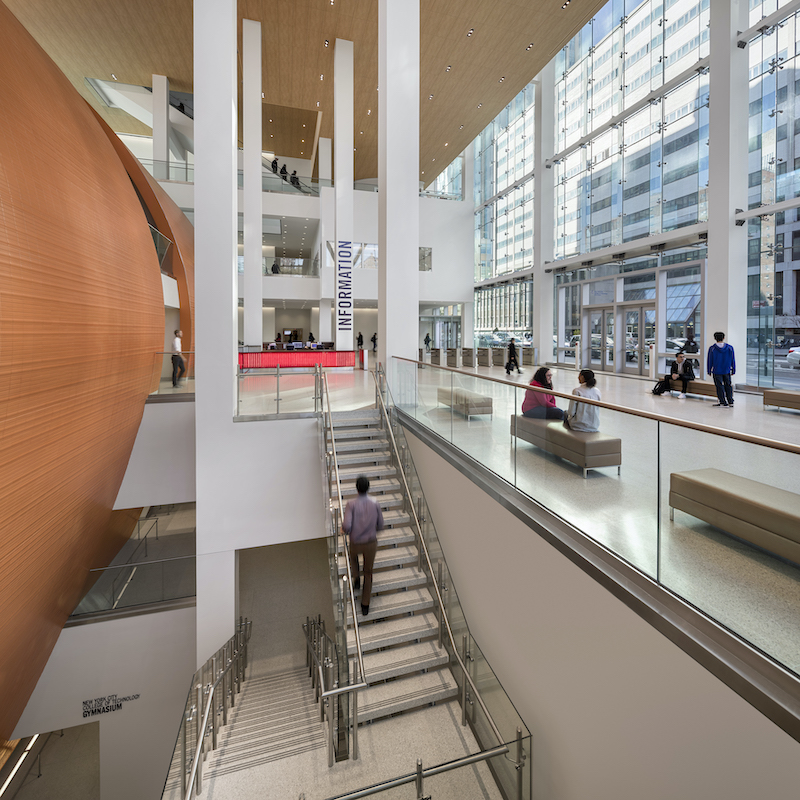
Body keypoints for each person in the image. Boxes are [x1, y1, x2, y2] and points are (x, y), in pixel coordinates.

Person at [342, 475, 384, 616]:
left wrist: (345, 530)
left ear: (357, 488)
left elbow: (347, 525)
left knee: (352, 557)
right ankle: (365, 604)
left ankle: (356, 578)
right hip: (371, 543)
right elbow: (381, 524)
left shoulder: (351, 504)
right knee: (369, 572)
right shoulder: (375, 502)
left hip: (356, 542)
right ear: (368, 487)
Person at [707, 331, 736, 407]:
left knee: (719, 386)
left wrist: (709, 370)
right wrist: (734, 369)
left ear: (714, 338)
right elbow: (733, 359)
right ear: (724, 338)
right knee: (728, 385)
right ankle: (730, 401)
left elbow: (710, 360)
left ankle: (722, 401)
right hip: (727, 370)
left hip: (717, 370)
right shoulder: (730, 348)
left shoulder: (712, 348)